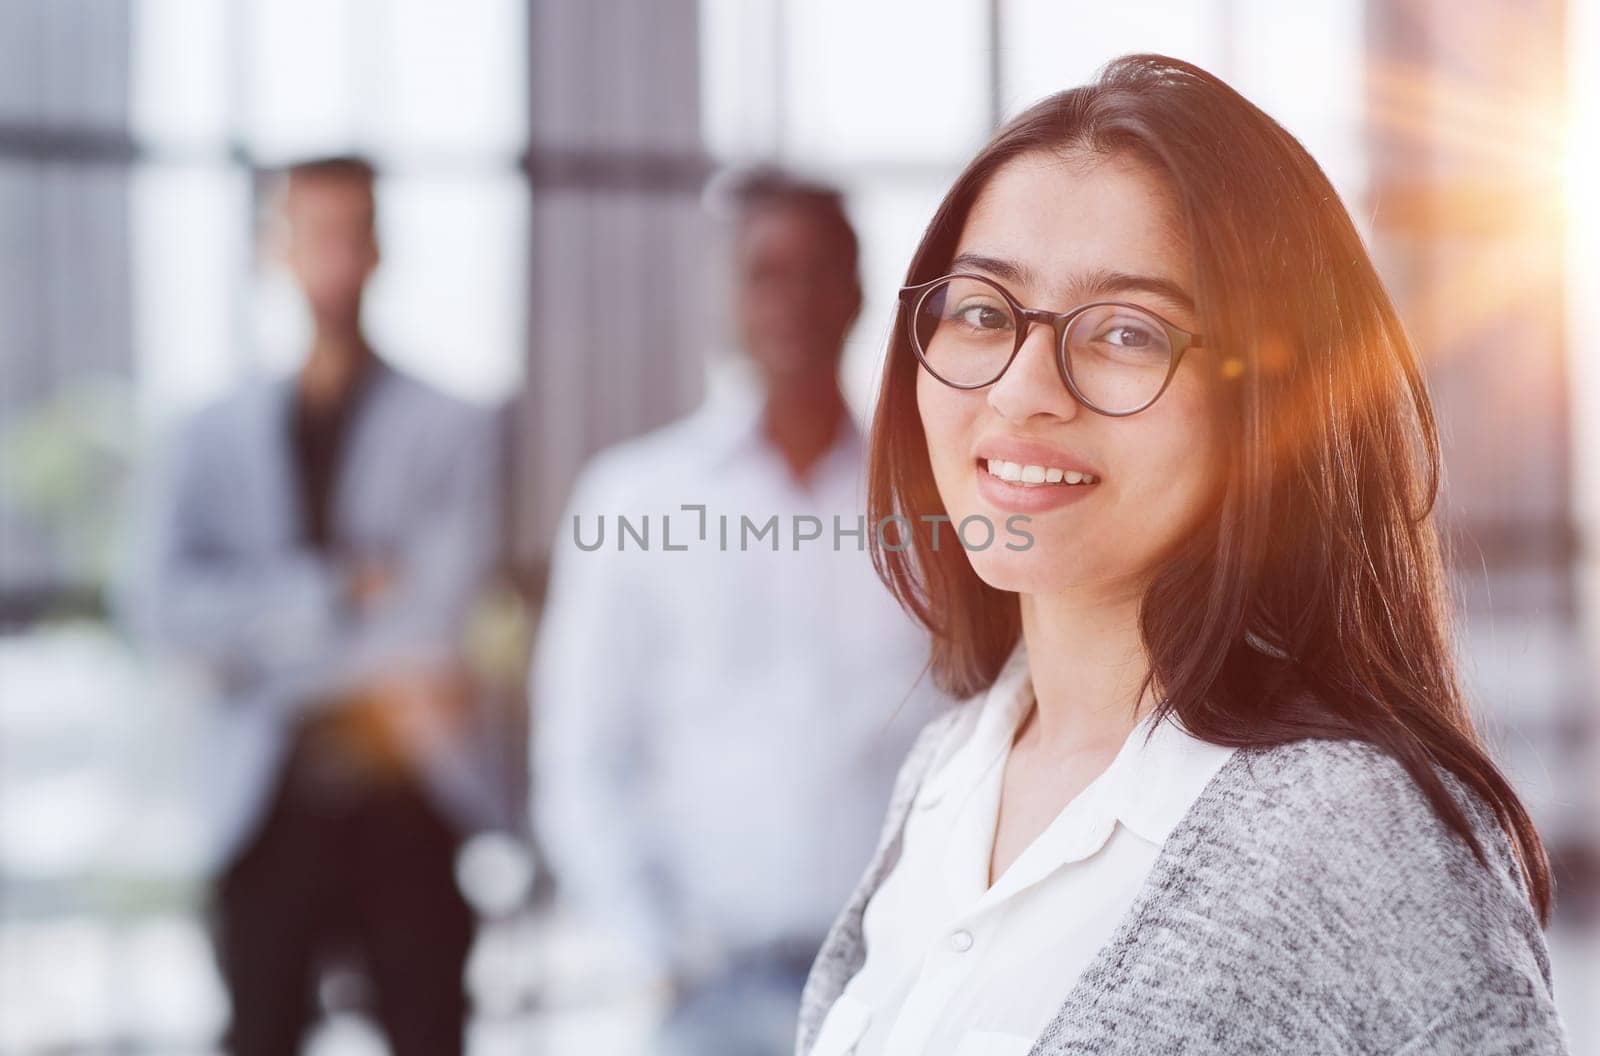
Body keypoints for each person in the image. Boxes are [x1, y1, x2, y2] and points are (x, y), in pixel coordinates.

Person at [795, 54, 1570, 1055]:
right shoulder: (952, 765)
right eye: (984, 312)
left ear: (1273, 404)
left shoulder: (1354, 832)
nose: (1025, 389)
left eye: (1124, 332)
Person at [532, 169, 950, 1055]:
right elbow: (580, 755)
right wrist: (658, 951)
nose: (792, 300)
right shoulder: (633, 497)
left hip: (896, 984)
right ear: (730, 296)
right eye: (765, 273)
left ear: (859, 293)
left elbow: (974, 723)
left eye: (818, 272)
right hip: (705, 991)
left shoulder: (937, 503)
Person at [120, 155, 506, 1056]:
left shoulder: (456, 424)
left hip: (406, 791)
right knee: (257, 1032)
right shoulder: (206, 433)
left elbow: (433, 622)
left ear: (379, 250)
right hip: (264, 802)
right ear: (275, 251)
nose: (333, 256)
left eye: (352, 232)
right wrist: (332, 588)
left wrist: (248, 649)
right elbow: (157, 609)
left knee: (429, 1032)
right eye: (312, 232)